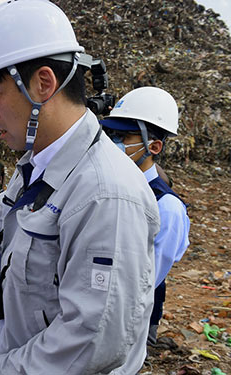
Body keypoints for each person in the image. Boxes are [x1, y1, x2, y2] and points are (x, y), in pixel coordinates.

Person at [0, 1, 160, 374]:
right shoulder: (36, 165)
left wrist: (2, 368)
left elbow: (94, 340)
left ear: (42, 84)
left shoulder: (105, 194)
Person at [100, 87, 190, 346]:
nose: (113, 142)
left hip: (124, 322)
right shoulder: (108, 185)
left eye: (123, 136)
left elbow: (145, 280)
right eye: (110, 133)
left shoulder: (167, 207)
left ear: (154, 146)